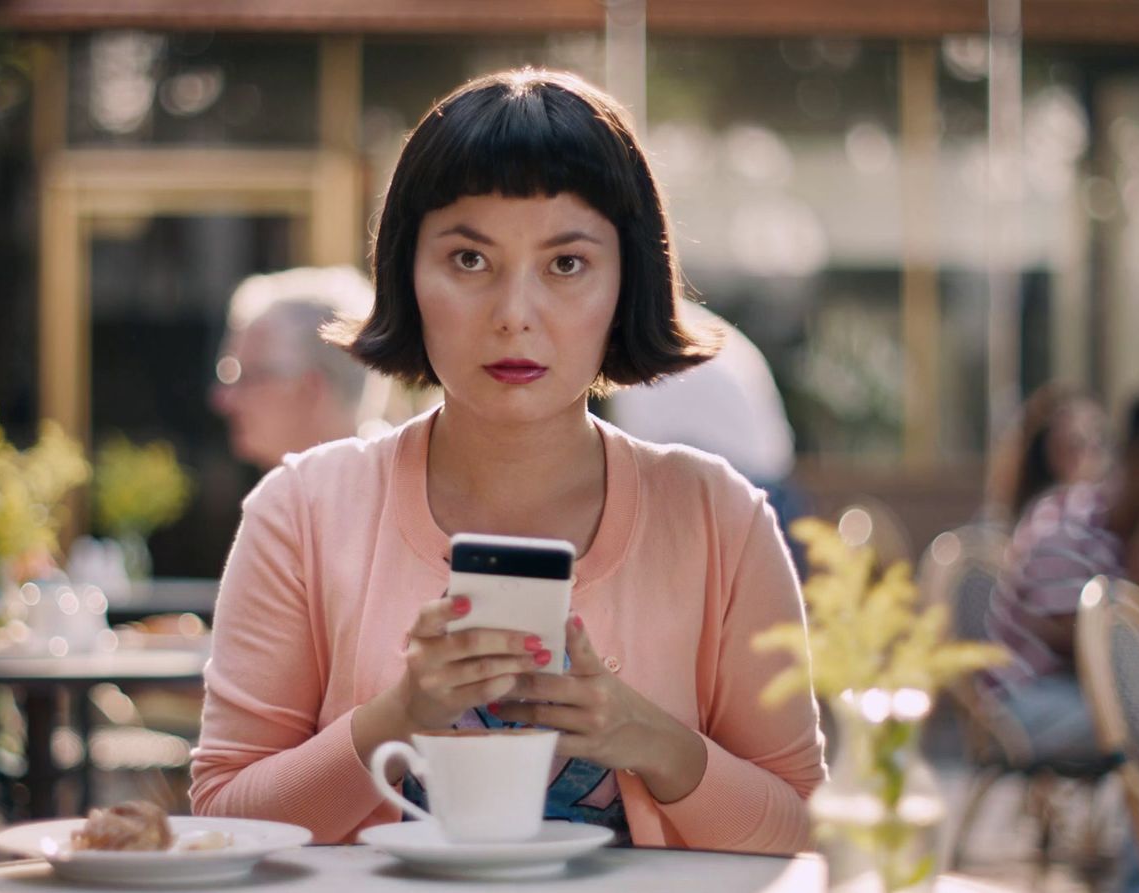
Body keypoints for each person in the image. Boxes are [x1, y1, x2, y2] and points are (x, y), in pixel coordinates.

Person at [190, 69, 824, 853]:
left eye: (566, 264)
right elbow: (221, 812)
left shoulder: (719, 518)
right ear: (405, 275)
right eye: (468, 260)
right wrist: (397, 716)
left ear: (627, 281)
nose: (514, 315)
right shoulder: (301, 511)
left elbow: (804, 825)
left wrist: (656, 741)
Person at [985, 388, 1139, 766]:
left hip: (1119, 696)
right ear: (1133, 459)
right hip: (1033, 699)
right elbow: (1095, 657)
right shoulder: (1061, 527)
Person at [606, 302, 812, 574]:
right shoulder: (696, 329)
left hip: (735, 495)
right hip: (772, 491)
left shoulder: (646, 347)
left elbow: (634, 455)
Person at [208, 265, 386, 469]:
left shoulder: (399, 491)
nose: (223, 399)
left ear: (312, 389)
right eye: (228, 374)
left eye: (248, 377)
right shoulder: (290, 495)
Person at [982, 383, 1110, 528]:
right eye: (1074, 443)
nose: (1091, 449)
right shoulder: (1042, 522)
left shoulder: (1115, 509)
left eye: (1100, 437)